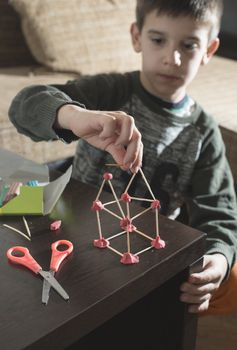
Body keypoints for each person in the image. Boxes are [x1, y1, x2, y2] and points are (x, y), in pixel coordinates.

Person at [8, 0, 237, 316]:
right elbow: (23, 105)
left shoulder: (204, 133)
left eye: (189, 45)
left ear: (209, 50)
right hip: (75, 243)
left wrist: (220, 258)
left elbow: (219, 210)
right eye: (158, 40)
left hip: (144, 262)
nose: (172, 58)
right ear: (136, 37)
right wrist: (72, 116)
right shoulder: (110, 91)